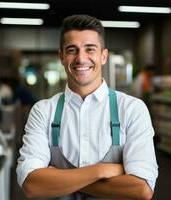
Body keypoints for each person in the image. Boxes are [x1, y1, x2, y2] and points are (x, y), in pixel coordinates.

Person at [17, 14, 158, 199]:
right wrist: (101, 171)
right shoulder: (43, 111)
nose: (81, 58)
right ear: (61, 57)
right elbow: (32, 185)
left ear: (104, 56)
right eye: (72, 50)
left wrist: (60, 178)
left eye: (90, 49)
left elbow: (141, 189)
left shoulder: (132, 109)